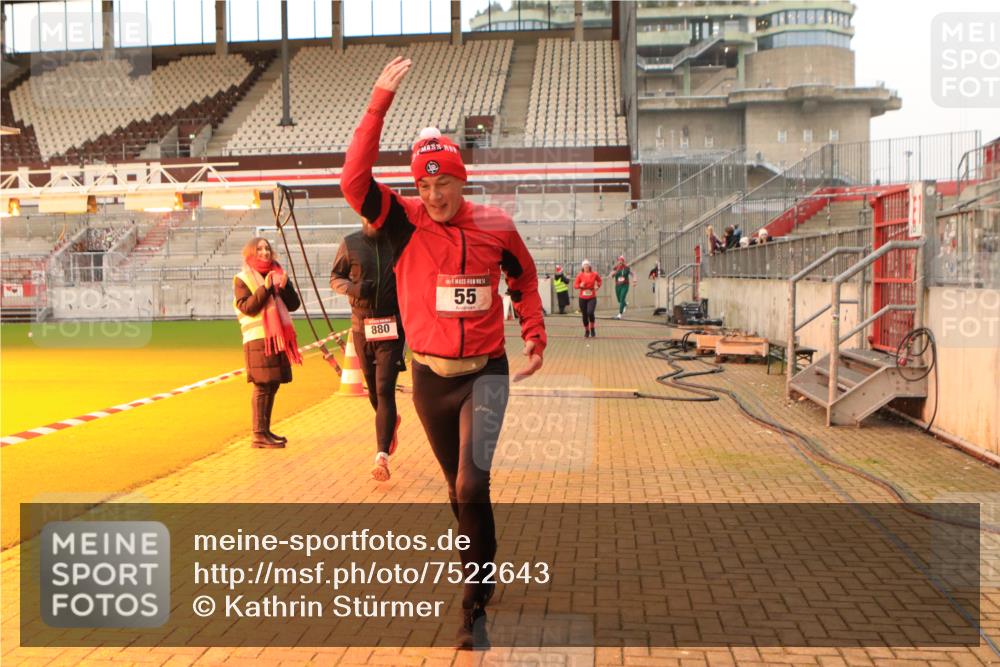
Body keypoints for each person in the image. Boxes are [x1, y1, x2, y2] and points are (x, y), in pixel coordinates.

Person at [341, 56, 546, 650]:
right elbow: (354, 182)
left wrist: (534, 332)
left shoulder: (496, 226)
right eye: (424, 186)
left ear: (463, 181)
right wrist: (378, 103)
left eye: (444, 185)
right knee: (459, 492)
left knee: (470, 485)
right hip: (430, 379)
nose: (433, 196)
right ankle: (484, 561)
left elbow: (524, 279)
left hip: (486, 375)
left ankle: (470, 609)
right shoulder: (403, 221)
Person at [330, 219, 405, 482]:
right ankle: (390, 421)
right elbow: (335, 278)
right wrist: (353, 288)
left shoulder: (398, 242)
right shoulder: (350, 243)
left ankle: (381, 456)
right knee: (374, 391)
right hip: (361, 328)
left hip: (392, 327)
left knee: (384, 388)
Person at [233, 237, 302, 449]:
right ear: (251, 253)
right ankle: (258, 434)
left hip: (276, 338)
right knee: (262, 385)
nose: (264, 252)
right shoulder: (243, 278)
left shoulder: (278, 274)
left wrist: (285, 287)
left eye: (267, 248)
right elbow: (247, 307)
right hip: (258, 340)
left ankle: (265, 430)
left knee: (273, 383)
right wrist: (265, 288)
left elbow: (294, 305)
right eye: (259, 249)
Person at [574, 259, 602, 337]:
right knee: (584, 315)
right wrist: (580, 285)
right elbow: (575, 285)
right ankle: (587, 330)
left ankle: (592, 328)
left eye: (587, 265)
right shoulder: (580, 275)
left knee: (590, 312)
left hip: (592, 297)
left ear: (589, 266)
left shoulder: (594, 274)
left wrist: (597, 286)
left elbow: (600, 281)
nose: (586, 267)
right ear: (582, 267)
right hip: (582, 298)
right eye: (584, 266)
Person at [609, 255, 635, 319]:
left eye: (621, 260)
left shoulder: (626, 268)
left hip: (625, 285)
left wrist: (635, 280)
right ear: (618, 261)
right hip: (618, 286)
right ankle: (625, 304)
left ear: (623, 261)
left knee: (622, 298)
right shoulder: (616, 268)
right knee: (619, 300)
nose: (620, 262)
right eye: (619, 261)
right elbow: (611, 275)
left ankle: (620, 314)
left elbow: (633, 274)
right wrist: (612, 274)